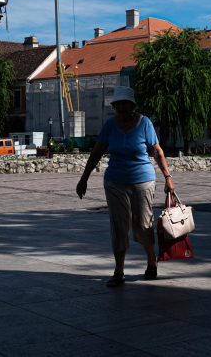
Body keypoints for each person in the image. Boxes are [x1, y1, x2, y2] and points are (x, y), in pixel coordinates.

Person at [76, 86, 175, 287]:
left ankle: (151, 262)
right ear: (114, 106)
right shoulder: (110, 125)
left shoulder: (144, 123)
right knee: (118, 227)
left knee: (142, 225)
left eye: (125, 104)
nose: (121, 108)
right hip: (115, 182)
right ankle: (119, 271)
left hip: (142, 180)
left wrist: (168, 177)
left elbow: (157, 152)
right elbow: (96, 152)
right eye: (118, 104)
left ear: (132, 105)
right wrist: (84, 178)